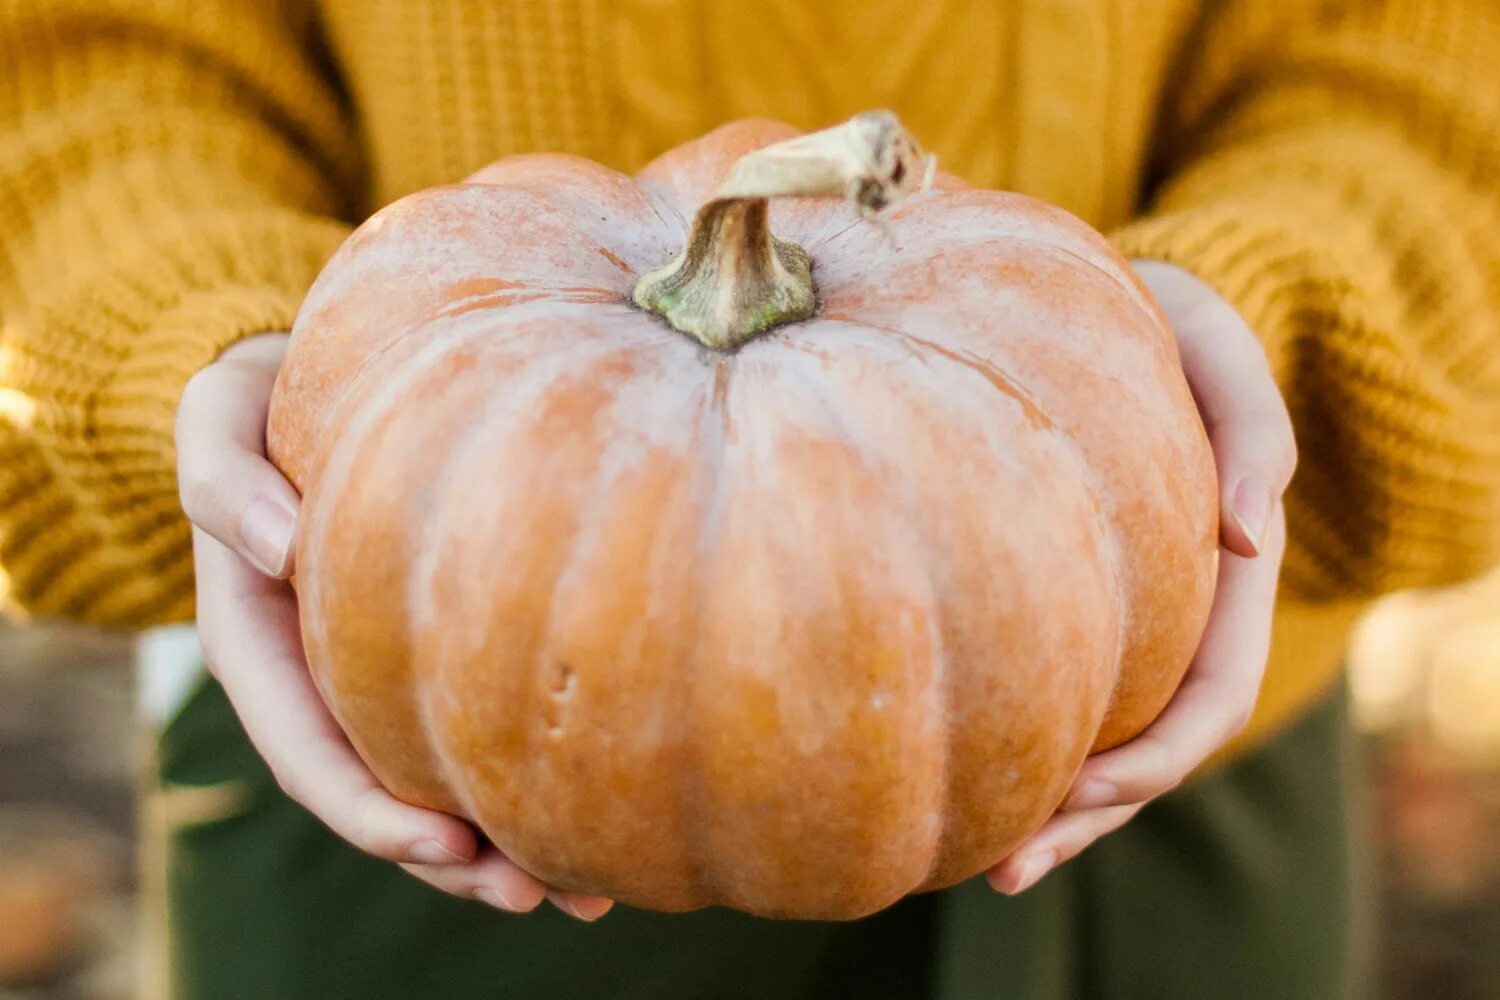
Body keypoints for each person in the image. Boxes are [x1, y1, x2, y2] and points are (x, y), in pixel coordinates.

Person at [1, 1, 1495, 997]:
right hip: (413, 754)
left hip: (1148, 750)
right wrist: (218, 337)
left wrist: (1212, 346)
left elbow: (1429, 66)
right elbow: (88, 65)